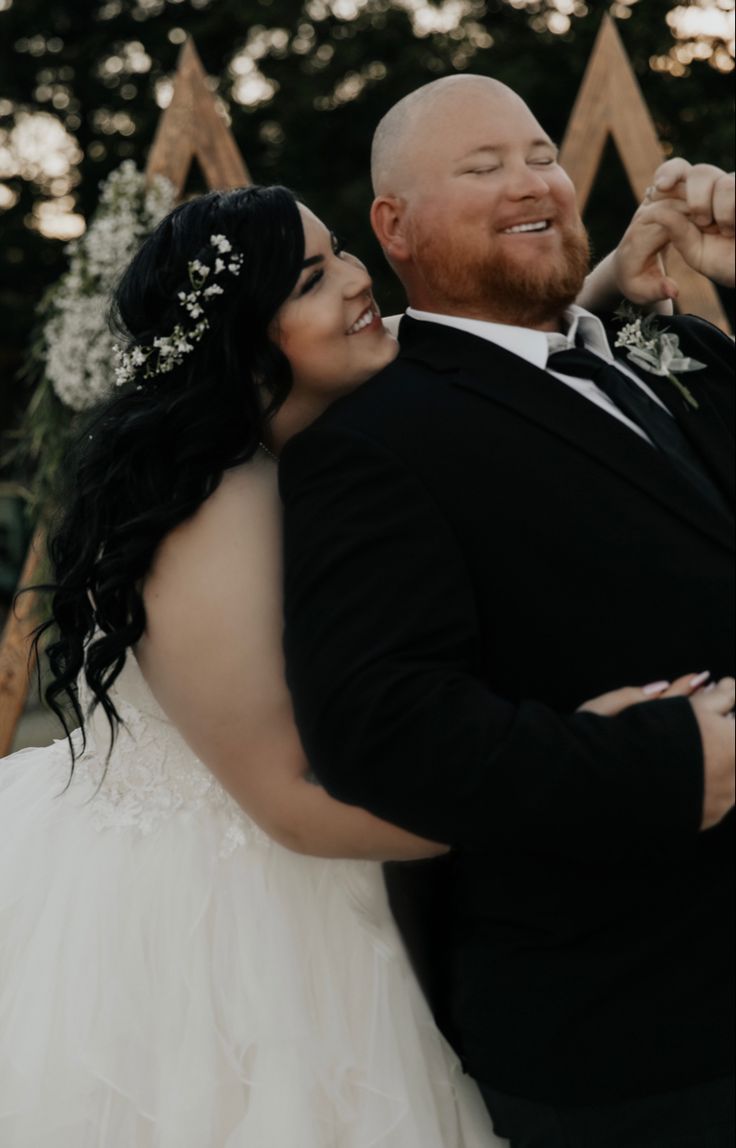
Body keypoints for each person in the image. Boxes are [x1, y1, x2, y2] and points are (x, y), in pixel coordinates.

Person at [0, 181, 725, 1145]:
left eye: (340, 250)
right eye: (310, 277)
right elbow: (289, 804)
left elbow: (491, 385)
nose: (354, 280)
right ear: (245, 338)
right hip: (235, 922)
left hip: (362, 870)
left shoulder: (320, 439)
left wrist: (591, 292)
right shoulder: (215, 511)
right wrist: (583, 765)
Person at [279, 76, 735, 1148]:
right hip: (636, 1030)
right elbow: (377, 724)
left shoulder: (681, 349)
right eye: (481, 168)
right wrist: (659, 761)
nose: (531, 181)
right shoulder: (371, 442)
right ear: (393, 226)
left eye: (539, 153)